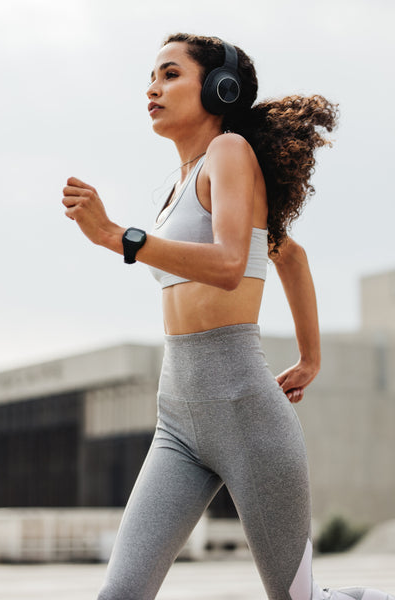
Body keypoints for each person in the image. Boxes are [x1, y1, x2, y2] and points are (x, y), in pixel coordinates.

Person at [62, 33, 394, 600]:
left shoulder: (229, 152)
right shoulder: (177, 188)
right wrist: (308, 358)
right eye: (150, 76)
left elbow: (230, 264)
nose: (153, 87)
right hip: (178, 420)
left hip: (247, 415)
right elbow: (286, 251)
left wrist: (119, 237)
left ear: (221, 88)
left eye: (170, 74)